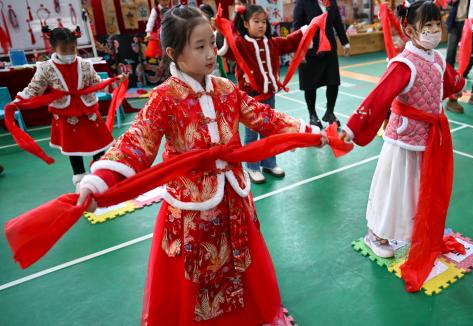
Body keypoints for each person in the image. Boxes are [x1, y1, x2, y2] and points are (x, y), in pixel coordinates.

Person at [78, 6, 325, 325]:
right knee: (197, 273)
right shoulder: (164, 98)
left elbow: (265, 117)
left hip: (235, 199)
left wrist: (309, 133)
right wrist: (100, 178)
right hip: (192, 209)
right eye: (200, 46)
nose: (211, 53)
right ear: (173, 53)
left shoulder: (225, 89)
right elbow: (138, 140)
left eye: (212, 42)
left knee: (241, 263)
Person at [341, 0, 465, 291]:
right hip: (404, 139)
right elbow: (378, 97)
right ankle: (377, 234)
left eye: (438, 25)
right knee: (395, 188)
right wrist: (351, 127)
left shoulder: (435, 58)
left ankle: (412, 229)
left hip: (429, 138)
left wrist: (459, 85)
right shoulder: (404, 63)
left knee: (421, 187)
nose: (435, 31)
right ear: (410, 30)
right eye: (428, 27)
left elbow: (447, 81)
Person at [16, 26, 126, 191]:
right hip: (66, 113)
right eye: (64, 49)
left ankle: (101, 176)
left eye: (72, 48)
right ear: (53, 48)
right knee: (73, 148)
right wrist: (19, 99)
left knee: (99, 143)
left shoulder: (84, 64)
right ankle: (80, 179)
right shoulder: (45, 68)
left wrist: (115, 81)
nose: (69, 52)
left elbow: (96, 83)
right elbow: (35, 88)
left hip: (88, 110)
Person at [219, 4, 307, 183]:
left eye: (264, 22)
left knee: (268, 130)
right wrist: (221, 34)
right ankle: (252, 167)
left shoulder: (272, 43)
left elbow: (290, 41)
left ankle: (269, 162)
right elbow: (227, 50)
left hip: (269, 96)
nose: (261, 25)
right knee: (251, 135)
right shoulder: (240, 44)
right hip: (250, 98)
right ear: (245, 24)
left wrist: (308, 28)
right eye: (256, 21)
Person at [293, 0, 350, 128]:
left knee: (333, 81)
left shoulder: (331, 2)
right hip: (310, 49)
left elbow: (337, 23)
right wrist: (298, 51)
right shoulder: (302, 2)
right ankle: (312, 115)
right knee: (309, 85)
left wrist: (345, 42)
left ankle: (330, 112)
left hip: (329, 47)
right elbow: (296, 26)